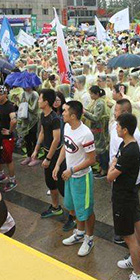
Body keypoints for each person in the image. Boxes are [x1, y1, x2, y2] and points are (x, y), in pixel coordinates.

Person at [108, 113, 140, 280]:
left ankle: (138, 276)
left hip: (124, 196)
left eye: (117, 126)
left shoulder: (130, 150)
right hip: (128, 193)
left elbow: (110, 176)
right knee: (136, 219)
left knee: (128, 237)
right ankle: (135, 257)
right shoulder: (126, 144)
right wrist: (114, 164)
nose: (115, 128)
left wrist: (113, 166)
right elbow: (115, 163)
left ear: (125, 130)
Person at [54, 100, 98, 256]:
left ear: (73, 115)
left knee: (86, 210)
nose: (62, 113)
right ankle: (79, 233)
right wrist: (58, 164)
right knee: (73, 207)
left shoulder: (86, 134)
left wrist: (72, 170)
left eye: (65, 111)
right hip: (70, 176)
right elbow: (66, 147)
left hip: (82, 178)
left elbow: (92, 160)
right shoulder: (67, 126)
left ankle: (89, 238)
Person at [31, 89, 66, 219]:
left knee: (62, 186)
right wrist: (36, 149)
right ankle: (56, 207)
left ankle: (74, 215)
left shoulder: (55, 118)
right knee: (50, 183)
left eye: (40, 99)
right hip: (47, 153)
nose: (38, 101)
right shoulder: (43, 115)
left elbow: (56, 140)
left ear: (46, 102)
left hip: (56, 156)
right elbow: (42, 132)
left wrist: (48, 158)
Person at [0, 85, 18, 192]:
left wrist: (10, 131)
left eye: (0, 94)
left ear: (5, 94)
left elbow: (14, 120)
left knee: (8, 159)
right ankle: (1, 175)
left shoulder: (9, 106)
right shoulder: (0, 104)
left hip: (7, 137)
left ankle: (12, 180)